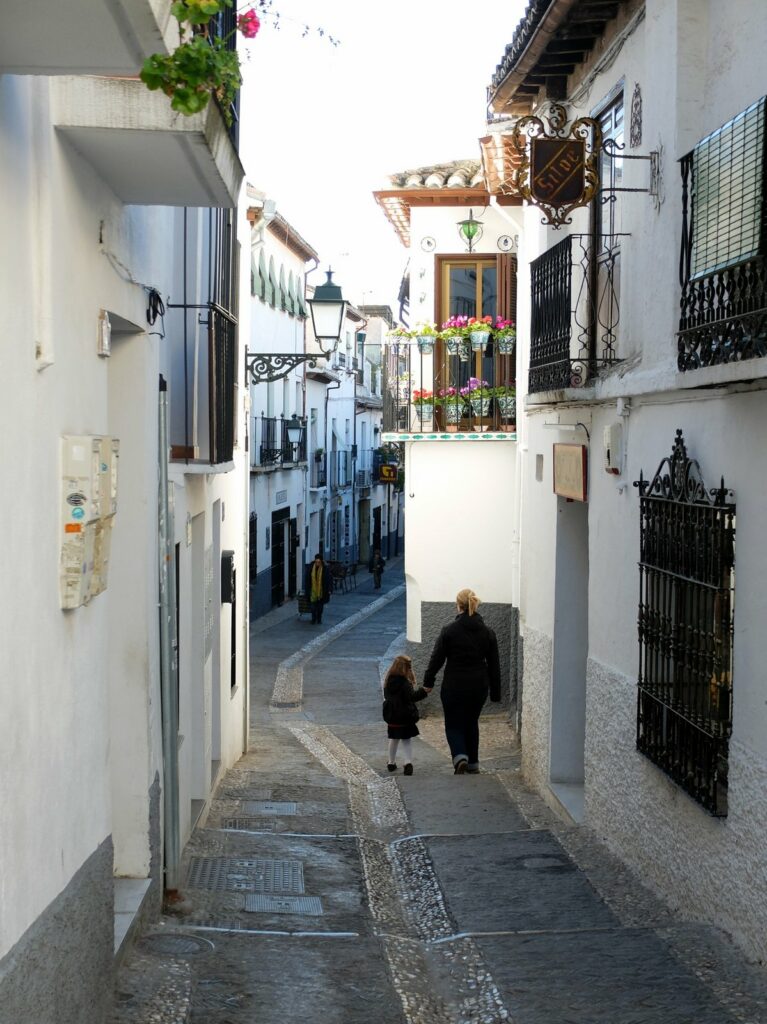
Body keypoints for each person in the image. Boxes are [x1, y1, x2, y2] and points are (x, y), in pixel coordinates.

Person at [423, 588, 501, 774]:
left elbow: (437, 659)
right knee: (471, 721)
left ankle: (460, 756)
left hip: (454, 685)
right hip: (478, 686)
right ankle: (473, 763)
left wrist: (428, 681)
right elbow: (494, 665)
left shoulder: (449, 631)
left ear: (458, 606)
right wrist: (495, 692)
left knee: (454, 722)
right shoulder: (488, 632)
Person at [382, 655, 432, 775]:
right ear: (406, 668)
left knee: (393, 739)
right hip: (405, 716)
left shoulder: (388, 680)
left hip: (392, 716)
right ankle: (408, 762)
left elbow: (387, 697)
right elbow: (412, 697)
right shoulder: (405, 683)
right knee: (406, 739)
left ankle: (391, 762)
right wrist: (423, 691)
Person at [305, 553, 331, 624]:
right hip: (313, 590)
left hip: (322, 591)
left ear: (321, 561)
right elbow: (307, 579)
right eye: (316, 562)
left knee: (320, 607)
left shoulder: (325, 569)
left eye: (319, 562)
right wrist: (307, 589)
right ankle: (313, 619)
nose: (317, 563)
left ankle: (319, 618)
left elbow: (328, 580)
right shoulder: (311, 567)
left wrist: (329, 590)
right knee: (313, 606)